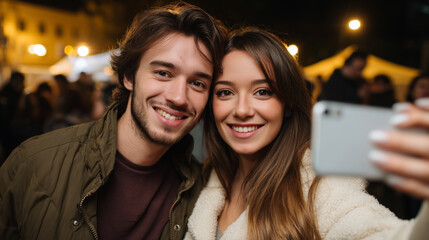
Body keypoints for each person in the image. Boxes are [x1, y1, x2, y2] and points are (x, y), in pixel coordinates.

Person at [0, 3, 226, 240]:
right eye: (163, 73)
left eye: (197, 83)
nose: (179, 97)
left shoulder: (204, 194)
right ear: (129, 76)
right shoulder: (34, 163)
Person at [184, 27, 429, 240]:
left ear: (288, 104)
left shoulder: (320, 186)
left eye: (263, 92)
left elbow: (382, 233)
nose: (242, 110)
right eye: (225, 92)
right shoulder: (208, 177)